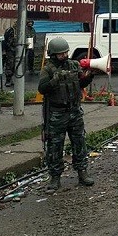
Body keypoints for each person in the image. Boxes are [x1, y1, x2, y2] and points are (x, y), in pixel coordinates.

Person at [38, 38, 95, 193]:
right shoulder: (48, 70)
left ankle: (82, 172)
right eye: (61, 53)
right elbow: (42, 89)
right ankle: (55, 177)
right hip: (57, 113)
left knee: (79, 142)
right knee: (55, 145)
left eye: (65, 52)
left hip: (74, 111)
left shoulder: (74, 65)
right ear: (53, 54)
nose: (64, 55)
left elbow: (80, 84)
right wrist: (54, 81)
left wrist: (88, 77)